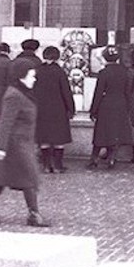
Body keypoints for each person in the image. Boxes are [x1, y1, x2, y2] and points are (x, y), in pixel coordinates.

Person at [0, 58, 50, 227]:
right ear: (21, 77)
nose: (34, 79)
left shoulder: (23, 93)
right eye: (31, 76)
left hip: (22, 143)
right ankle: (34, 215)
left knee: (2, 179)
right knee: (30, 177)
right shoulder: (14, 95)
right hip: (14, 145)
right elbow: (5, 122)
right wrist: (0, 147)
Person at [88, 45, 134, 169]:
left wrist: (93, 110)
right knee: (116, 132)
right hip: (121, 103)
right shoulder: (126, 72)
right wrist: (128, 107)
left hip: (106, 104)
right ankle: (111, 158)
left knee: (101, 133)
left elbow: (98, 92)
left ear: (105, 57)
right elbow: (128, 91)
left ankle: (94, 158)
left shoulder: (103, 73)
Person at [34, 45, 75, 173]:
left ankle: (46, 165)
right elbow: (66, 92)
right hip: (58, 109)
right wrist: (71, 109)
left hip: (41, 109)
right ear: (57, 57)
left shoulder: (37, 71)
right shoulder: (59, 72)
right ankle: (57, 165)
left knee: (44, 138)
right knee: (58, 139)